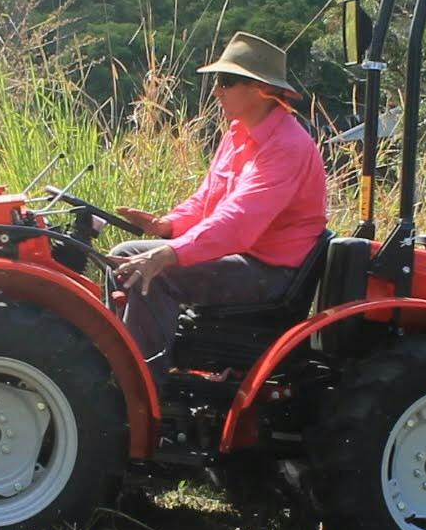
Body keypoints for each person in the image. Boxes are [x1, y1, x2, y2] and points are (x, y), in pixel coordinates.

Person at [109, 31, 329, 364]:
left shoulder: (288, 147)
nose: (216, 90)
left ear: (261, 89)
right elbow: (207, 200)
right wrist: (167, 226)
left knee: (156, 275)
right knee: (125, 257)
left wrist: (167, 255)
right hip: (242, 258)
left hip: (269, 273)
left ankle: (140, 389)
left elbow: (238, 224)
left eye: (226, 81)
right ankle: (121, 362)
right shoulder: (237, 133)